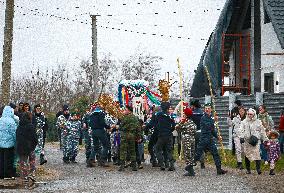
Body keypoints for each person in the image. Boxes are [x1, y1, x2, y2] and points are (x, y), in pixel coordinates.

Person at [194, 103, 227, 175]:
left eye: (208, 108)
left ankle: (219, 169)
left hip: (210, 139)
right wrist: (214, 121)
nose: (207, 109)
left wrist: (218, 137)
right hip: (203, 139)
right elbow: (207, 126)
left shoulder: (211, 118)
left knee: (216, 154)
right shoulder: (203, 118)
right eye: (206, 108)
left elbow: (212, 130)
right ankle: (190, 167)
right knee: (198, 154)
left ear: (211, 110)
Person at [239, 108, 268, 175]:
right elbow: (241, 130)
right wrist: (241, 137)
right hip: (247, 141)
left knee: (257, 154)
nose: (249, 115)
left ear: (254, 114)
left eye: (251, 114)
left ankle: (258, 169)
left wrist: (265, 139)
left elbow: (262, 131)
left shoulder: (258, 122)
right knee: (247, 155)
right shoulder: (244, 122)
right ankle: (248, 170)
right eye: (248, 114)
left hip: (256, 141)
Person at [16, 112, 38, 189]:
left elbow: (17, 137)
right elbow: (35, 138)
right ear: (29, 118)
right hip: (30, 147)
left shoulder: (19, 126)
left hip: (21, 147)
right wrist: (33, 146)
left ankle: (24, 177)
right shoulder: (30, 126)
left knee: (23, 163)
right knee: (32, 161)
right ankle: (32, 175)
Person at [154, 102, 176, 171]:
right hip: (169, 135)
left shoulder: (158, 115)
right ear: (167, 109)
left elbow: (156, 124)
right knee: (169, 150)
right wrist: (170, 130)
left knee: (157, 149)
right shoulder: (170, 116)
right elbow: (173, 125)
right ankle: (171, 165)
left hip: (161, 135)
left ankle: (162, 164)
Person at [175, 107, 197, 176]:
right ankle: (191, 170)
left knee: (187, 154)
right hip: (192, 138)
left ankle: (189, 168)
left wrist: (181, 121)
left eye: (184, 113)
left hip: (186, 138)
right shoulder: (193, 122)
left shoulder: (185, 122)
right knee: (192, 153)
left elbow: (177, 127)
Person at [118, 105, 140, 171]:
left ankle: (122, 166)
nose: (124, 111)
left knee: (123, 150)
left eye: (125, 110)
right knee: (132, 150)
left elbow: (121, 126)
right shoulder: (135, 118)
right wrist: (138, 137)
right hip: (132, 135)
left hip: (125, 135)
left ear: (128, 110)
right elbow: (138, 128)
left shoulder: (125, 118)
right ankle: (134, 166)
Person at [0, 106, 17, 179]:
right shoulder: (11, 121)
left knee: (1, 159)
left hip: (0, 143)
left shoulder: (0, 119)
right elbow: (14, 132)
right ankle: (7, 175)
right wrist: (16, 141)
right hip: (9, 143)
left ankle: (1, 174)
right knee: (9, 159)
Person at [190, 99, 205, 169]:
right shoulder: (202, 113)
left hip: (194, 132)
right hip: (201, 132)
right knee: (201, 147)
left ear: (193, 106)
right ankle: (202, 162)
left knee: (193, 147)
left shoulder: (192, 113)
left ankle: (194, 162)